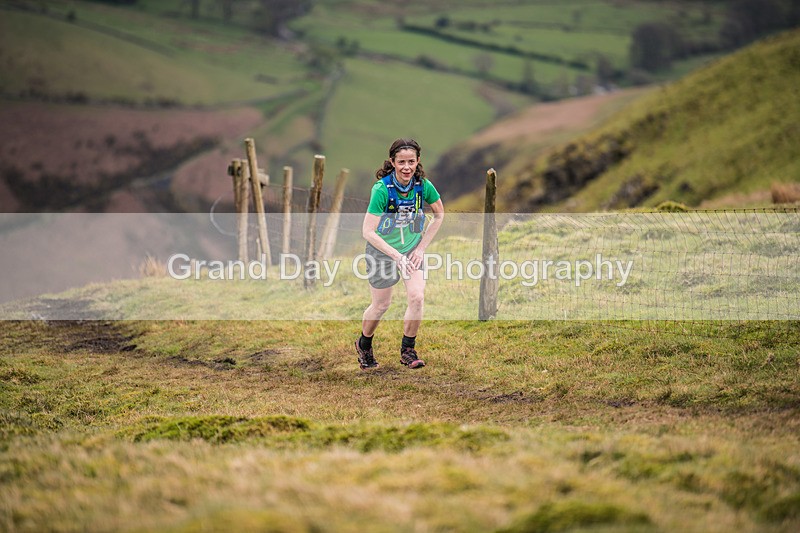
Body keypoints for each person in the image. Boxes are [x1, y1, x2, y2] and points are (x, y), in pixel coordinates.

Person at [355, 138, 445, 370]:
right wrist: (396, 255)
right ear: (393, 162)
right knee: (381, 305)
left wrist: (421, 248)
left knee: (417, 297)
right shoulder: (381, 190)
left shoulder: (423, 186)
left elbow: (440, 215)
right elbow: (367, 231)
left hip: (412, 250)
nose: (407, 167)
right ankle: (364, 345)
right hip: (382, 252)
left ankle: (408, 351)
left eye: (411, 162)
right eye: (402, 162)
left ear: (417, 162)